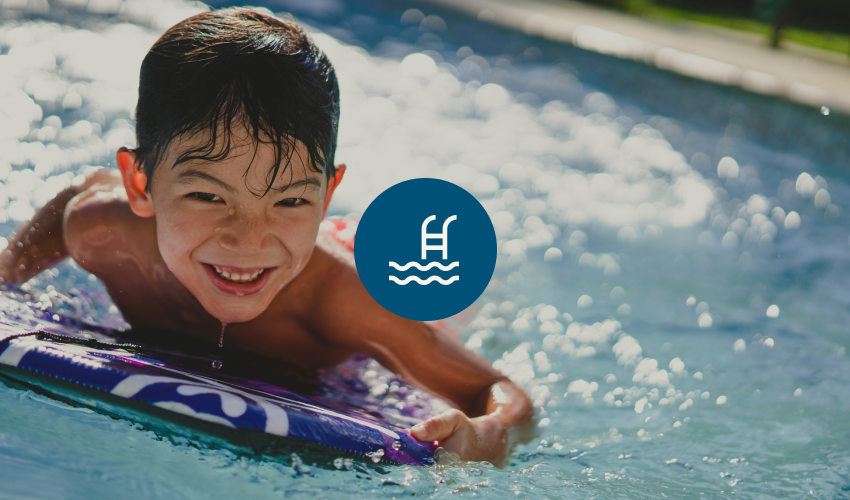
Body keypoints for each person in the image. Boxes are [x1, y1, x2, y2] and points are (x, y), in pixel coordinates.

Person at [0, 8, 532, 466]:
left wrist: (489, 433)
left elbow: (501, 393)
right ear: (140, 185)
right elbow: (78, 197)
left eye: (292, 198)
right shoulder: (102, 229)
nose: (246, 240)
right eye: (207, 197)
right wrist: (9, 267)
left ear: (325, 197)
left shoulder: (343, 299)